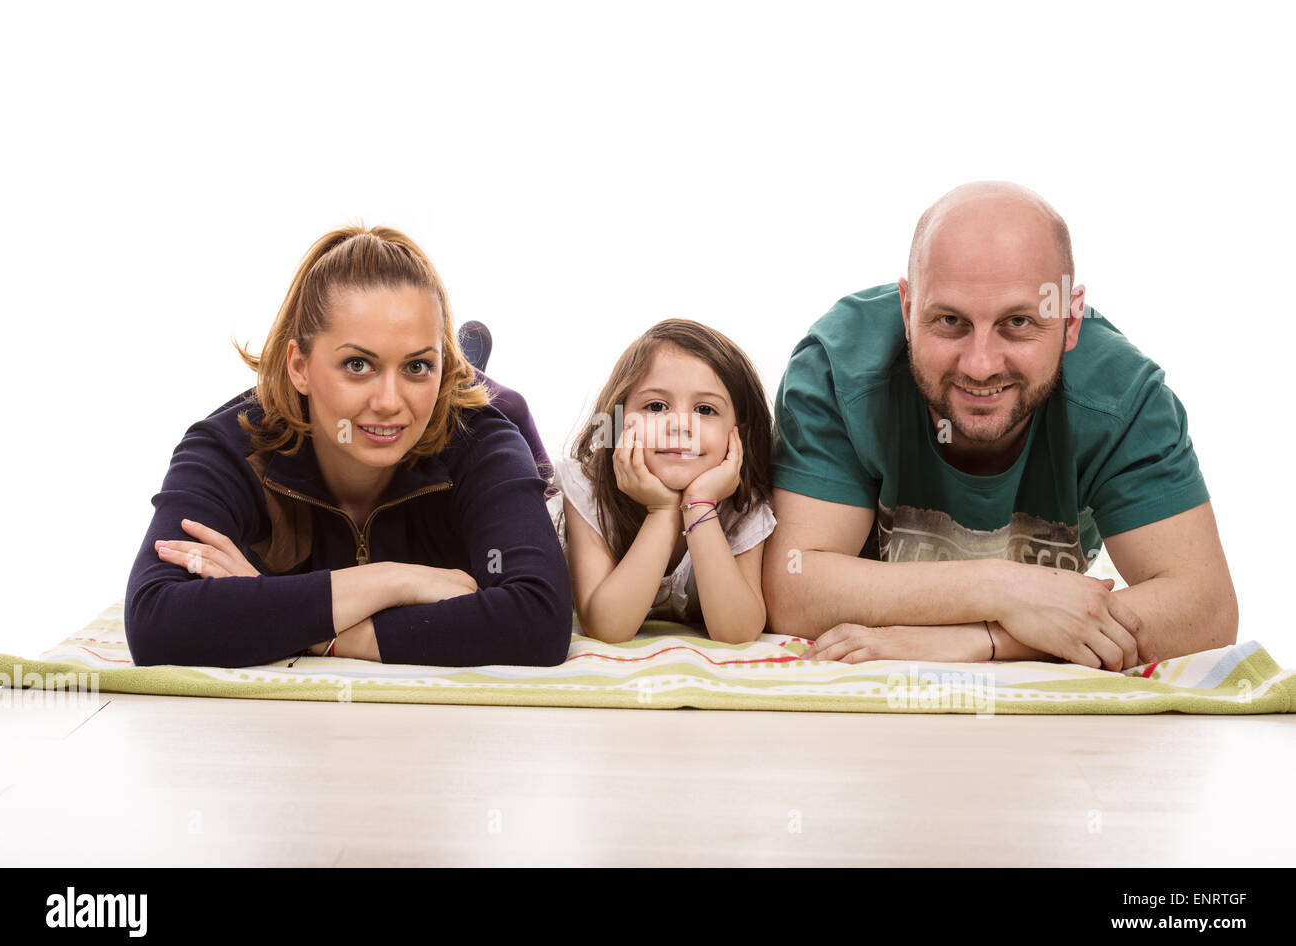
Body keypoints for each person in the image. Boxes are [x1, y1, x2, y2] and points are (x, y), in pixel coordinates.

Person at [764, 182, 1237, 670]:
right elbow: (792, 586)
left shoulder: (1121, 397)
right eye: (950, 321)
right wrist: (1003, 589)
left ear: (1071, 320)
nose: (981, 365)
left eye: (1017, 323)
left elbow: (1206, 608)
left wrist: (986, 639)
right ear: (907, 311)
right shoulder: (840, 370)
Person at [124, 225, 571, 668]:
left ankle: (465, 361)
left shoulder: (482, 439)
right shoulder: (230, 447)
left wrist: (304, 628)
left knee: (504, 403)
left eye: (418, 365)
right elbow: (156, 622)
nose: (390, 403)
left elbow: (539, 621)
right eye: (358, 365)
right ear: (299, 366)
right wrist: (394, 580)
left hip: (479, 410)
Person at [559, 320, 776, 644]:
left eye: (705, 409)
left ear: (738, 434)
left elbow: (737, 632)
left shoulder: (742, 505)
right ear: (618, 420)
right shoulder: (588, 490)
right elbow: (608, 627)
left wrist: (699, 503)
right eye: (656, 406)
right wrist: (662, 511)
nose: (679, 426)